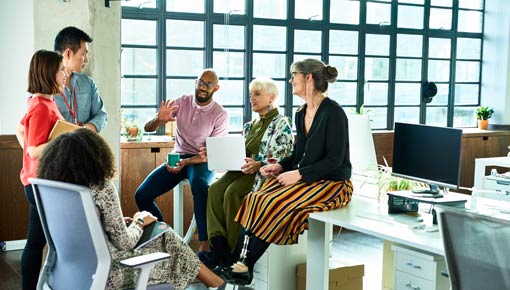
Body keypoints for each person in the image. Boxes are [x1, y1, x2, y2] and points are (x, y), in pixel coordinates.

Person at [217, 58, 354, 285]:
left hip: (333, 184)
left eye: (294, 75)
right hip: (308, 179)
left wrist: (297, 174)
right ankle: (238, 265)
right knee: (255, 198)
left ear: (308, 77)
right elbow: (299, 154)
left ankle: (242, 267)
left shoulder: (334, 112)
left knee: (275, 202)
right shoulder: (301, 113)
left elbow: (334, 161)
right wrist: (281, 166)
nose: (290, 81)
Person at [37, 129, 224, 290]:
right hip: (111, 272)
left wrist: (119, 224)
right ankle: (217, 283)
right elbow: (125, 244)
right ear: (96, 157)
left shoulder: (55, 189)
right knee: (171, 243)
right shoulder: (101, 187)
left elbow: (85, 230)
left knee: (165, 236)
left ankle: (216, 283)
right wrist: (139, 221)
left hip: (69, 269)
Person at [202, 77, 293, 268]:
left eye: (257, 94)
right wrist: (217, 154)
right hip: (241, 169)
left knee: (232, 193)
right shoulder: (251, 125)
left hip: (260, 173)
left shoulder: (281, 123)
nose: (252, 98)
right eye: (251, 94)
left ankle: (233, 251)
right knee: (214, 189)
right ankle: (218, 247)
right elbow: (240, 152)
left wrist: (259, 164)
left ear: (271, 98)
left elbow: (284, 156)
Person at [135, 68, 229, 254]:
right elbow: (148, 128)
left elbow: (211, 154)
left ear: (216, 88)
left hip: (201, 161)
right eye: (201, 82)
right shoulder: (181, 102)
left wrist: (186, 163)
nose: (203, 87)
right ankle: (165, 237)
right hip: (178, 156)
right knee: (142, 194)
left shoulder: (220, 114)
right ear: (196, 82)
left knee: (200, 186)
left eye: (209, 84)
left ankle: (204, 244)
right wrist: (159, 120)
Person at [15, 50, 67, 290]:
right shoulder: (41, 105)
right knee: (38, 243)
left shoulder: (40, 101)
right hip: (40, 184)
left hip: (37, 182)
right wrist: (65, 140)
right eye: (61, 70)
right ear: (49, 73)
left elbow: (21, 132)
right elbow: (34, 150)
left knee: (38, 242)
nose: (65, 74)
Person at [53, 26, 108, 132]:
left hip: (85, 145)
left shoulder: (88, 83)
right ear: (68, 53)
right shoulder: (45, 86)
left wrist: (86, 129)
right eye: (83, 54)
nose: (86, 60)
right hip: (59, 147)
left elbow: (101, 115)